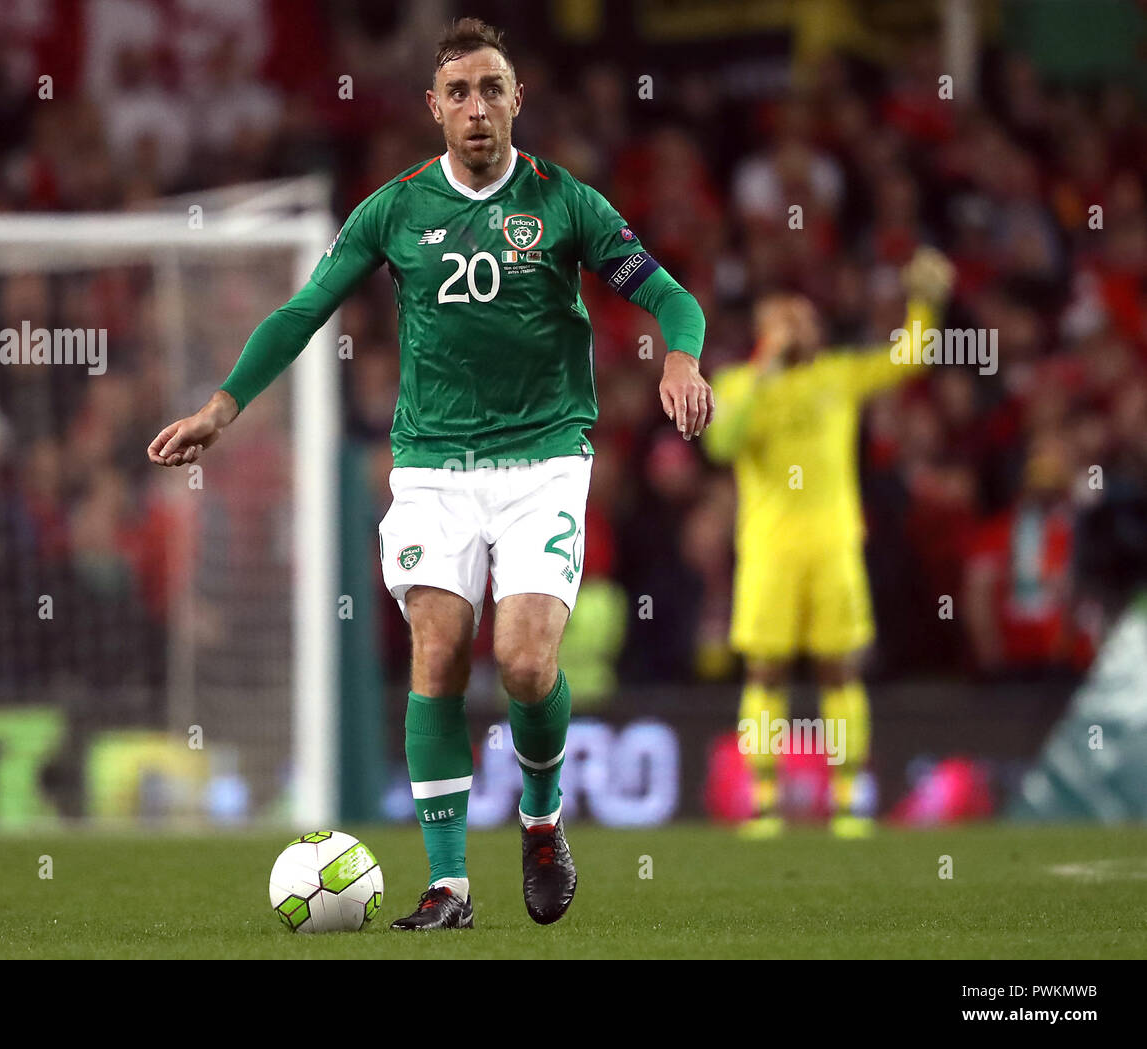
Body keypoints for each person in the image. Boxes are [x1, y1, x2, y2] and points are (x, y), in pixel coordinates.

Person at [147, 18, 711, 928]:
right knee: (438, 653)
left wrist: (679, 357)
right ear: (433, 108)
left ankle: (540, 819)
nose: (477, 108)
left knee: (526, 665)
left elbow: (668, 293)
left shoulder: (565, 203)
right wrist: (223, 405)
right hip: (434, 468)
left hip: (544, 460)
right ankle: (449, 885)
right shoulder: (394, 209)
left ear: (518, 99)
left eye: (493, 89)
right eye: (459, 92)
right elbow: (301, 311)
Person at [705, 248, 954, 838]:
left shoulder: (838, 376)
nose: (800, 328)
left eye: (806, 318)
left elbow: (912, 357)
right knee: (764, 673)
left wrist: (926, 302)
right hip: (769, 551)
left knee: (839, 672)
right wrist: (765, 368)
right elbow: (719, 444)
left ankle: (848, 797)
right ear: (764, 333)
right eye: (785, 320)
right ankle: (763, 799)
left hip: (833, 547)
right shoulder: (739, 384)